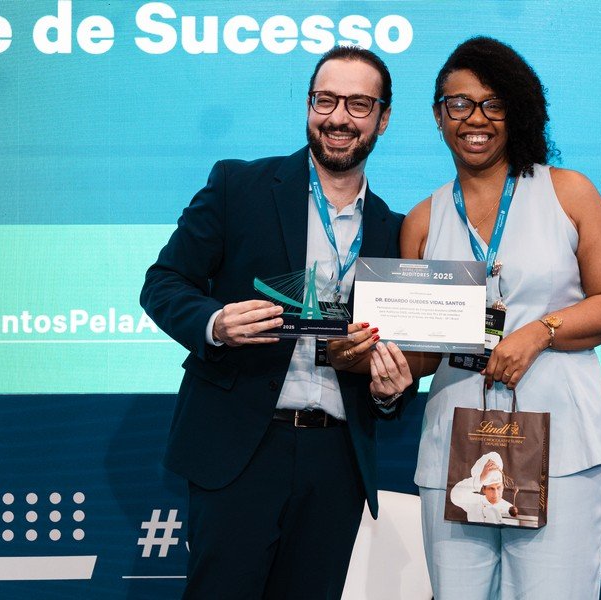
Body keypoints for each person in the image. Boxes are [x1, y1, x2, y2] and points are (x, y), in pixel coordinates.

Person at [140, 46, 413, 600]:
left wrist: (388, 392)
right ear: (309, 106)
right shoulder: (238, 186)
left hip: (336, 460)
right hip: (241, 447)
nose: (338, 117)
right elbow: (163, 282)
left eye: (359, 104)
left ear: (383, 118)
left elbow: (394, 365)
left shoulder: (396, 231)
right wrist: (215, 322)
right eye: (325, 100)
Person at [400, 37, 601, 599]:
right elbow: (422, 352)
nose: (475, 119)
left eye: (493, 104)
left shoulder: (568, 192)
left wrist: (540, 332)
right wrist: (379, 363)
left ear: (517, 111)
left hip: (559, 444)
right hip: (455, 449)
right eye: (460, 104)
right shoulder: (422, 220)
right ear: (438, 114)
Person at [450, 452, 515, 525]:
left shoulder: (509, 508)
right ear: (484, 490)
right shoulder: (474, 502)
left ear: (503, 486)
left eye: (499, 487)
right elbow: (455, 495)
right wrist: (480, 479)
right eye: (491, 488)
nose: (496, 493)